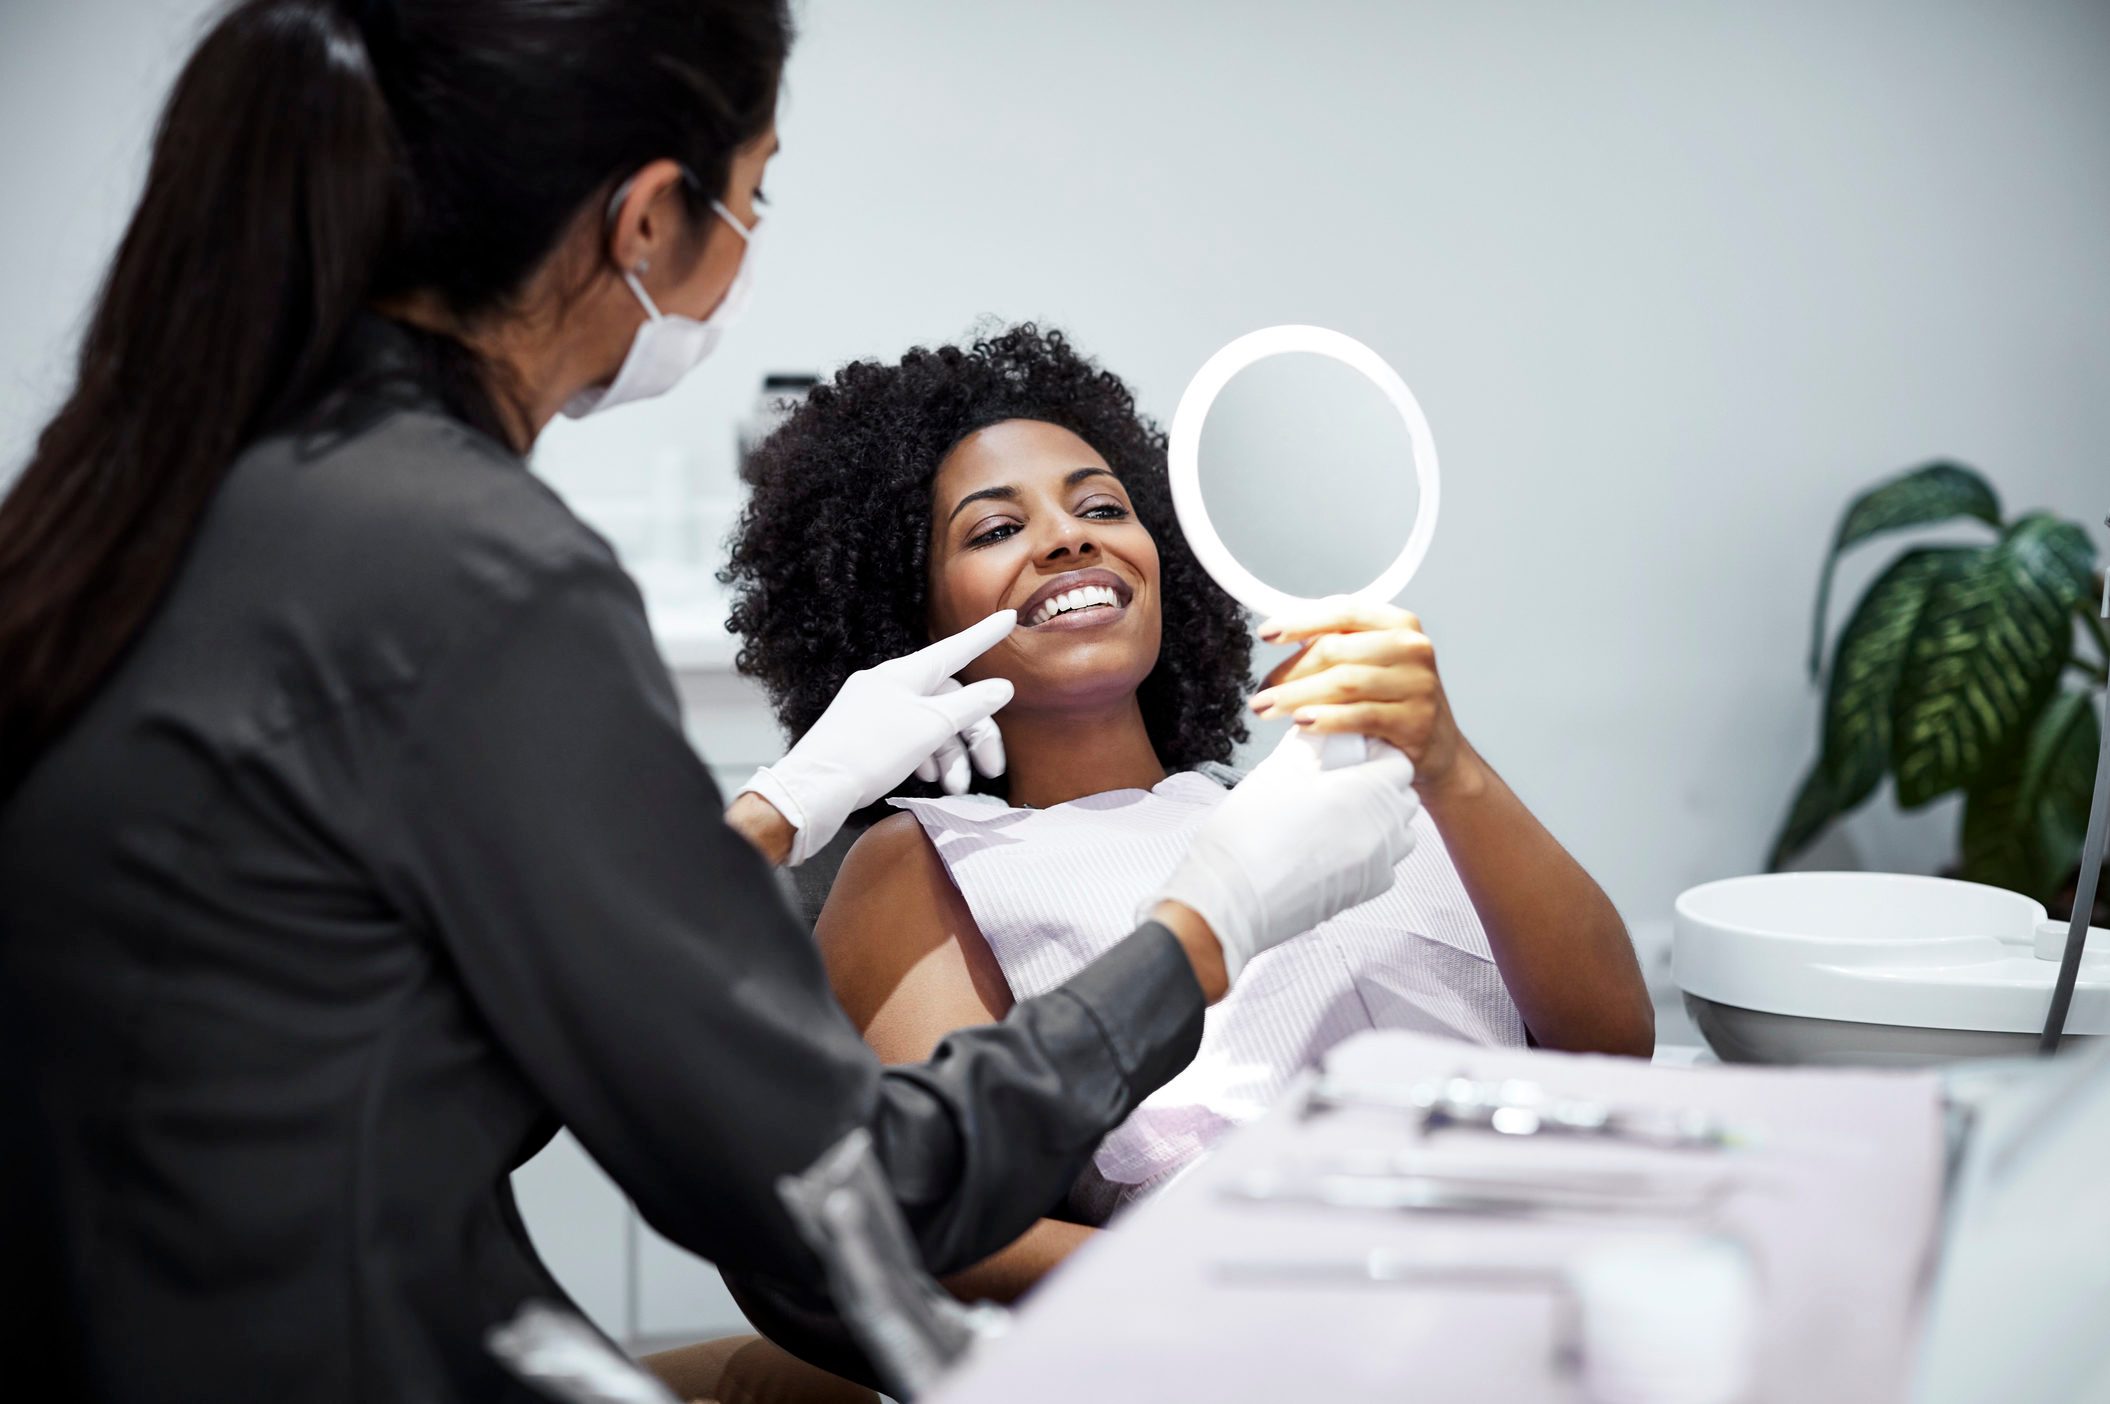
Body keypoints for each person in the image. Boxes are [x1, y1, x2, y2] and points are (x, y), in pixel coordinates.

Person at [0, 5, 1426, 1401]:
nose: (1062, 545)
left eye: (1098, 505)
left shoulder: (179, 489)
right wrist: (1213, 921)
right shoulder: (478, 574)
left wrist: (767, 809)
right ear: (645, 221)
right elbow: (836, 1193)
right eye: (752, 201)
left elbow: (436, 1026)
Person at [722, 325, 1657, 1299]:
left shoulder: (1338, 803)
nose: (1068, 537)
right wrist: (1237, 1269)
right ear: (910, 619)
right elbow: (917, 1223)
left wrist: (1448, 764)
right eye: (996, 530)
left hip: (1555, 1260)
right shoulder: (928, 861)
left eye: (1102, 507)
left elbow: (1609, 1044)